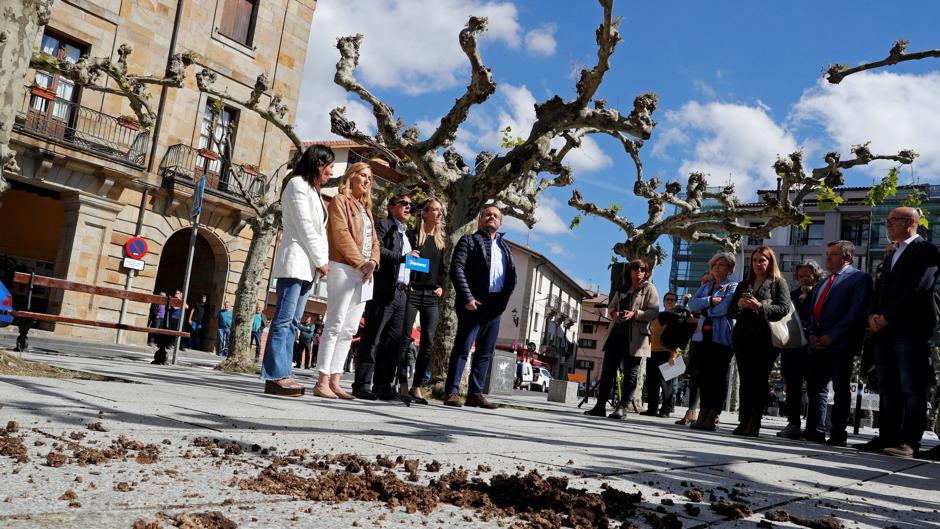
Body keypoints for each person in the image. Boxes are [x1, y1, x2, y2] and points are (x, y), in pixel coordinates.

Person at [859, 207, 940, 458]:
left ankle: (909, 442)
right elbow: (879, 288)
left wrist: (887, 316)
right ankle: (887, 437)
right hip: (883, 331)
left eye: (893, 220)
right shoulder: (891, 254)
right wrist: (872, 315)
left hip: (909, 329)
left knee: (911, 387)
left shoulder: (925, 250)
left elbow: (919, 287)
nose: (887, 225)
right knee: (888, 386)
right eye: (887, 221)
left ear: (911, 223)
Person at [261, 144, 333, 397]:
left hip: (307, 267)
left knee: (293, 321)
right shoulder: (297, 185)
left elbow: (319, 231)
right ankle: (275, 375)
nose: (331, 172)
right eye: (330, 166)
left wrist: (320, 261)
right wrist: (322, 260)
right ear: (318, 164)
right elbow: (305, 227)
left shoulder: (313, 191)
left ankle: (283, 372)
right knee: (283, 319)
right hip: (295, 261)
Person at [315, 161, 380, 399]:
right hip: (344, 267)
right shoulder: (340, 201)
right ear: (351, 177)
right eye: (362, 175)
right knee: (335, 323)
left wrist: (373, 262)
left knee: (350, 328)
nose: (367, 180)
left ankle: (335, 379)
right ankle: (321, 380)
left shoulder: (367, 209)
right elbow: (340, 234)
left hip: (364, 273)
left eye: (369, 177)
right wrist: (361, 262)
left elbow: (375, 242)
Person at [443, 205, 517, 409]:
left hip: (494, 307)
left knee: (485, 352)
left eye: (496, 216)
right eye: (487, 214)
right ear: (480, 219)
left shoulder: (505, 247)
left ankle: (475, 394)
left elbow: (511, 277)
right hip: (473, 303)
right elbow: (457, 269)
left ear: (500, 223)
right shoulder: (468, 240)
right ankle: (452, 391)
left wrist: (503, 303)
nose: (491, 217)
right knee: (463, 348)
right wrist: (467, 297)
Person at [802, 241, 872, 446]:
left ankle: (838, 433)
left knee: (841, 388)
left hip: (841, 344)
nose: (828, 258)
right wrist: (814, 335)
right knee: (816, 387)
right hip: (818, 344)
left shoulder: (860, 278)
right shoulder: (823, 282)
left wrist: (832, 336)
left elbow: (856, 312)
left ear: (847, 258)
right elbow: (813, 311)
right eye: (827, 254)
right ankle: (814, 430)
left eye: (833, 255)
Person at [352, 190, 417, 401]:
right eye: (403, 203)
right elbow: (378, 251)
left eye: (410, 205)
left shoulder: (408, 234)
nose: (408, 207)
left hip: (403, 292)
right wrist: (402, 258)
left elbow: (409, 261)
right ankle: (362, 384)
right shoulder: (383, 225)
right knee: (372, 338)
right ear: (391, 207)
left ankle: (383, 384)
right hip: (384, 290)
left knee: (393, 342)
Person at [584, 259, 660, 420]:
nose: (638, 271)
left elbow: (654, 312)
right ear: (629, 271)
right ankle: (600, 406)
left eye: (641, 269)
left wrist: (636, 314)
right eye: (634, 268)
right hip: (616, 335)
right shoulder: (623, 289)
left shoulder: (650, 289)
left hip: (636, 339)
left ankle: (622, 407)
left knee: (630, 374)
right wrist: (614, 314)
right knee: (607, 372)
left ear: (646, 273)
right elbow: (611, 307)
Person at [727, 246, 790, 437]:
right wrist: (739, 305)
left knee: (759, 379)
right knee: (746, 380)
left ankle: (755, 419)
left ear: (770, 262)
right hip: (743, 337)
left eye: (762, 260)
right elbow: (729, 312)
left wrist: (760, 306)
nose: (758, 264)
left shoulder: (778, 283)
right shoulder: (743, 285)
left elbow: (784, 308)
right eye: (755, 260)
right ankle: (744, 419)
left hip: (765, 339)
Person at [400, 197, 447, 405]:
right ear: (425, 213)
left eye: (440, 211)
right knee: (404, 339)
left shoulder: (440, 242)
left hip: (430, 296)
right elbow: (405, 262)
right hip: (411, 291)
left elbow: (442, 271)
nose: (439, 214)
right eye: (435, 210)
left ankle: (416, 386)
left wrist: (440, 286)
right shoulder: (411, 236)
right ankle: (402, 382)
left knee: (428, 341)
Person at [686, 254, 738, 431]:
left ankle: (713, 414)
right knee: (705, 377)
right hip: (702, 337)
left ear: (730, 268)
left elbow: (724, 309)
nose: (717, 267)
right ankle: (703, 412)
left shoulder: (732, 286)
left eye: (722, 265)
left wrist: (705, 310)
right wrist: (709, 301)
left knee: (718, 377)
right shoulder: (707, 287)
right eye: (715, 264)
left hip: (721, 338)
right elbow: (691, 305)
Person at [777, 260, 824, 439]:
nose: (804, 279)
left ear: (816, 275)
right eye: (800, 276)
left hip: (814, 346)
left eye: (808, 275)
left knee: (815, 388)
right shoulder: (791, 295)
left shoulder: (821, 293)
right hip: (793, 346)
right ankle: (793, 424)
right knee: (793, 386)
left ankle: (814, 428)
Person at [675, 273, 712, 426]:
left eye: (707, 281)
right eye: (702, 281)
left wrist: (695, 319)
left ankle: (707, 413)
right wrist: (685, 304)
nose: (703, 284)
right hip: (695, 342)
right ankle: (691, 412)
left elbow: (714, 316)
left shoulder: (713, 298)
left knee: (705, 378)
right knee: (694, 378)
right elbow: (683, 316)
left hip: (710, 341)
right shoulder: (697, 299)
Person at [644, 291, 682, 418]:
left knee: (668, 386)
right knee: (652, 383)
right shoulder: (657, 316)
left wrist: (674, 355)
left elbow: (680, 338)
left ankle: (666, 410)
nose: (670, 301)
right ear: (664, 301)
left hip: (669, 354)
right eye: (667, 299)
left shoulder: (680, 316)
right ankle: (652, 409)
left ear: (676, 302)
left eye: (672, 299)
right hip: (653, 352)